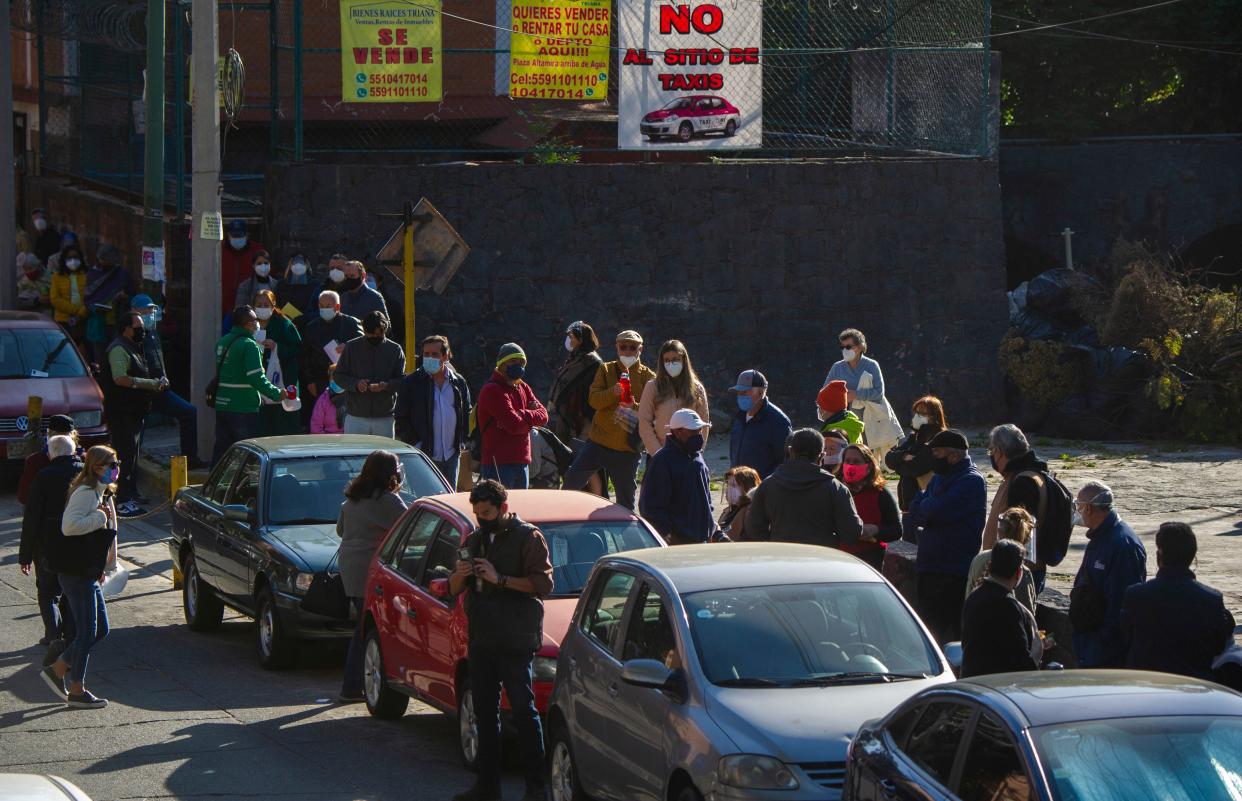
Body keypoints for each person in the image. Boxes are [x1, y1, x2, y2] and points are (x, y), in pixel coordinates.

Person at [449, 480, 554, 801]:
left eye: (488, 512)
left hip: (516, 638)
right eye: (478, 513)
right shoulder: (475, 538)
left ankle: (536, 788)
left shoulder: (528, 537)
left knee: (524, 712)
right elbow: (454, 588)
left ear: (503, 508)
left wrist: (500, 579)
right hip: (482, 636)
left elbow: (543, 585)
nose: (482, 518)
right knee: (484, 712)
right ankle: (487, 785)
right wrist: (461, 572)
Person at [41, 445, 120, 709]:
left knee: (100, 630)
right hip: (76, 575)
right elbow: (69, 526)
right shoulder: (86, 493)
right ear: (95, 467)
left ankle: (59, 667)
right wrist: (100, 517)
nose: (115, 468)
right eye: (110, 464)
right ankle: (76, 689)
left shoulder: (98, 491)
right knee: (87, 633)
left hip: (86, 572)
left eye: (116, 463)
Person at [336, 451, 409, 702]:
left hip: (349, 565)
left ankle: (354, 685)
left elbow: (340, 529)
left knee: (362, 624)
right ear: (392, 473)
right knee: (364, 629)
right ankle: (351, 686)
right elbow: (411, 528)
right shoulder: (389, 500)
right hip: (370, 568)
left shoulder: (352, 498)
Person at [903, 429, 986, 644]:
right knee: (929, 631)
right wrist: (928, 505)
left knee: (947, 634)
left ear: (954, 455)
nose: (933, 459)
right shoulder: (941, 477)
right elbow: (916, 509)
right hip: (930, 565)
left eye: (937, 453)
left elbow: (931, 510)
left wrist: (927, 504)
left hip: (953, 570)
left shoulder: (971, 481)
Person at [1121, 522, 1235, 680]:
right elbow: (1218, 646)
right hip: (1193, 685)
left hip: (1146, 684)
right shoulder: (1211, 598)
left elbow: (1123, 638)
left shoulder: (1136, 595)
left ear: (1159, 555)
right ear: (1192, 556)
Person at [561, 330, 654, 510]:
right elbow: (593, 400)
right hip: (598, 443)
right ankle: (563, 520)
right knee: (571, 482)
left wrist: (633, 406)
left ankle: (625, 535)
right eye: (623, 346)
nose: (627, 351)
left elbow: (653, 411)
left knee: (626, 502)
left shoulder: (648, 377)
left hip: (627, 449)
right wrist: (613, 392)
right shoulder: (606, 369)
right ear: (617, 347)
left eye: (632, 347)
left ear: (640, 349)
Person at [1069, 480, 1147, 668]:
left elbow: (1122, 603)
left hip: (1105, 648)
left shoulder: (1122, 545)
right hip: (1090, 640)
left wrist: (1103, 644)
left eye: (1078, 506)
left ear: (1088, 508)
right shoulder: (1099, 536)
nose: (1076, 511)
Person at [744, 427, 863, 547]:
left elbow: (754, 527)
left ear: (790, 451)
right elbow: (852, 534)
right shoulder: (835, 488)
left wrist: (774, 540)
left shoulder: (768, 485)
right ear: (822, 456)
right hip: (822, 559)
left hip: (781, 557)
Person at [20, 435, 82, 650]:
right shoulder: (85, 473)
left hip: (47, 544)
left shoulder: (43, 476)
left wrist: (25, 555)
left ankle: (53, 635)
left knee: (48, 592)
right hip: (78, 543)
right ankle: (72, 634)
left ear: (51, 453)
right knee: (72, 589)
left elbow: (31, 518)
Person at [130, 294, 205, 467]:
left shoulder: (154, 331)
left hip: (161, 389)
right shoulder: (132, 334)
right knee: (136, 435)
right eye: (145, 310)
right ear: (134, 312)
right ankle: (131, 471)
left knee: (188, 412)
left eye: (151, 310)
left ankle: (190, 459)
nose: (149, 314)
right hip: (142, 391)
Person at [105, 311, 166, 517]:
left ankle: (130, 492)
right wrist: (151, 384)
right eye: (138, 327)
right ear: (127, 329)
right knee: (123, 455)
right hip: (122, 411)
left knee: (132, 455)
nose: (142, 330)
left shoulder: (134, 347)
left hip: (135, 411)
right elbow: (120, 378)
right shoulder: (118, 349)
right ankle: (120, 498)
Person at [394, 335, 473, 486]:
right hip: (424, 455)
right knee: (426, 498)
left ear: (445, 356)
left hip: (451, 455)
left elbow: (466, 412)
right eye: (426, 354)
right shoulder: (411, 383)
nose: (429, 358)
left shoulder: (458, 382)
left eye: (434, 354)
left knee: (449, 499)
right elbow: (401, 417)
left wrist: (462, 441)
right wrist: (416, 444)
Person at [984, 424, 1055, 591]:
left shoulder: (1023, 482)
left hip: (1014, 574)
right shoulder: (1023, 475)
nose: (991, 457)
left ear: (999, 452)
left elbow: (1017, 532)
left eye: (991, 452)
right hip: (1015, 570)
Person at [211, 306, 285, 464]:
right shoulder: (249, 345)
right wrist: (277, 393)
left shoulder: (223, 342)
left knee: (222, 451)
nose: (257, 323)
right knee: (247, 455)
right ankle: (246, 486)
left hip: (222, 404)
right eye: (255, 320)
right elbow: (256, 377)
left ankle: (216, 484)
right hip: (243, 406)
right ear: (248, 324)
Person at [960, 539, 1041, 678]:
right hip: (998, 686)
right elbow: (1022, 662)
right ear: (1019, 573)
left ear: (990, 566)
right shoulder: (1009, 606)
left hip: (972, 681)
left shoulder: (974, 596)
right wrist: (1037, 648)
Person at [822, 328, 904, 461]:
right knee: (846, 451)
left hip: (869, 416)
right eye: (842, 347)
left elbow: (878, 393)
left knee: (867, 454)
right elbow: (825, 391)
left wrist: (855, 395)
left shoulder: (871, 365)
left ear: (860, 347)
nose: (845, 350)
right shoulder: (837, 367)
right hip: (844, 419)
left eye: (848, 346)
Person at [475, 343, 549, 489]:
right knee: (500, 509)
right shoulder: (493, 390)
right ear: (502, 364)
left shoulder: (523, 387)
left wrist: (522, 414)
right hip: (498, 464)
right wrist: (531, 419)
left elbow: (544, 416)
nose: (519, 366)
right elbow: (514, 426)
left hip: (521, 462)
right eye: (513, 361)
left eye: (521, 362)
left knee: (520, 510)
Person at [638, 409, 717, 545]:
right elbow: (649, 506)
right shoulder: (662, 461)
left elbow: (706, 497)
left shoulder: (698, 457)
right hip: (678, 543)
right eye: (693, 431)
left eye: (699, 431)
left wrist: (711, 527)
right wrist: (666, 533)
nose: (698, 435)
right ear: (678, 431)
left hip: (702, 541)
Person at [334, 310, 405, 437]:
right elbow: (338, 375)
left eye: (377, 335)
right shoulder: (351, 347)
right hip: (356, 416)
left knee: (384, 455)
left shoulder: (395, 350)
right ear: (364, 330)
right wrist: (356, 384)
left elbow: (402, 380)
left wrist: (386, 386)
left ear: (385, 331)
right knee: (354, 455)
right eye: (369, 335)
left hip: (384, 417)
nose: (373, 338)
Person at [638, 339, 710, 459]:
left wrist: (698, 451)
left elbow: (704, 420)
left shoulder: (697, 388)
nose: (671, 364)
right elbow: (644, 422)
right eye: (667, 360)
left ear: (683, 360)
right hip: (660, 454)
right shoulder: (653, 387)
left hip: (689, 454)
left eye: (676, 359)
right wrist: (657, 453)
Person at [300, 290, 364, 425]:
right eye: (321, 306)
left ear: (338, 307)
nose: (324, 309)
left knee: (346, 416)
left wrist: (348, 346)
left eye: (328, 305)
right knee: (323, 416)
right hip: (321, 378)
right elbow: (306, 356)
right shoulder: (312, 327)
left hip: (347, 377)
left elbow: (364, 346)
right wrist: (310, 381)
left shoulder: (352, 323)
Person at [838, 443, 901, 570]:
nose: (851, 465)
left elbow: (896, 530)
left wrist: (875, 530)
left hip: (870, 559)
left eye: (856, 461)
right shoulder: (836, 490)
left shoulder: (881, 493)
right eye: (847, 461)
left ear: (868, 466)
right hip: (839, 557)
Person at [967, 507, 1038, 615]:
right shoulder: (1022, 572)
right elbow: (1028, 613)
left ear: (999, 531)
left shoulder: (979, 559)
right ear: (1026, 538)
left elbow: (968, 597)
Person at [253, 289, 303, 436]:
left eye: (266, 304)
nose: (262, 307)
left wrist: (277, 347)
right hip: (257, 378)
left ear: (273, 304)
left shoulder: (283, 323)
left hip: (282, 378)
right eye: (259, 304)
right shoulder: (250, 324)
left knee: (282, 422)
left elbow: (297, 347)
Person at [884, 395, 947, 511]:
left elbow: (915, 468)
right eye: (916, 413)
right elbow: (888, 458)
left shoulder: (938, 439)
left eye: (922, 413)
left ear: (934, 416)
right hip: (907, 505)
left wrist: (898, 464)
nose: (917, 416)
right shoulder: (914, 437)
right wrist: (903, 456)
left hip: (927, 504)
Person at [729, 369, 792, 479]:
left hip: (765, 490)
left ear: (761, 392)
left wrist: (767, 485)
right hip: (740, 487)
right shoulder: (739, 417)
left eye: (745, 392)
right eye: (738, 392)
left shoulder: (778, 421)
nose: (740, 396)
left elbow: (786, 461)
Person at [547, 321, 603, 445]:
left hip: (581, 416)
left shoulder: (591, 361)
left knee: (576, 452)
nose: (570, 341)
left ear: (581, 339)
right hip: (565, 413)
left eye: (572, 337)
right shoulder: (575, 357)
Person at [84, 244, 134, 365]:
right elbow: (87, 299)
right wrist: (95, 308)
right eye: (103, 260)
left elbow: (132, 294)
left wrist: (124, 296)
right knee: (100, 358)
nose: (105, 263)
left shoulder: (122, 274)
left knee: (117, 354)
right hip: (98, 322)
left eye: (108, 260)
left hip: (118, 320)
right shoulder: (92, 275)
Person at [19, 414, 78, 505]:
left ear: (48, 434)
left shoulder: (35, 461)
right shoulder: (83, 459)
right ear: (72, 435)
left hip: (45, 516)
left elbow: (24, 497)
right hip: (75, 513)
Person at [221, 219, 265, 318]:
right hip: (224, 305)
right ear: (228, 235)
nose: (237, 239)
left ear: (247, 235)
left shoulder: (257, 250)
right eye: (234, 236)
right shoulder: (220, 250)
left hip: (250, 304)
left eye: (240, 235)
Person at [49, 242, 88, 343]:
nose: (73, 261)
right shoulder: (56, 277)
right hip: (63, 321)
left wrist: (82, 313)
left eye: (76, 257)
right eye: (69, 258)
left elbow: (91, 297)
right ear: (64, 260)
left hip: (83, 320)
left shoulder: (87, 276)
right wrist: (76, 311)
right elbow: (55, 299)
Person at [276, 254, 320, 333]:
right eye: (295, 262)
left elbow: (319, 309)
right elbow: (277, 305)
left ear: (307, 265)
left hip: (309, 327)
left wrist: (303, 318)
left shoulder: (316, 285)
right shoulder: (281, 284)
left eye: (302, 262)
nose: (298, 265)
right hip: (286, 326)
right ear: (290, 264)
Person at [719, 465, 761, 541]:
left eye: (734, 486)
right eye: (728, 485)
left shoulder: (750, 512)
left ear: (748, 487)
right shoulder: (729, 510)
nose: (728, 489)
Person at [816, 379, 864, 444]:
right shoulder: (851, 423)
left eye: (820, 406)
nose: (818, 409)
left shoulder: (835, 434)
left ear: (829, 409)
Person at [310, 365, 347, 434]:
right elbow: (316, 427)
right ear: (329, 379)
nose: (336, 381)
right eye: (333, 378)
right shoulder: (323, 399)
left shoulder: (353, 398)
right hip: (328, 441)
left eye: (339, 378)